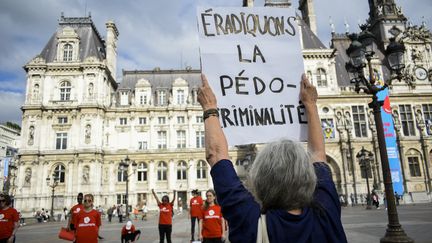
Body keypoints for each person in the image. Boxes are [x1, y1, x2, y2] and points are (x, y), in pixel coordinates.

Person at [197, 74, 347, 242]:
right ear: (309, 179)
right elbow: (318, 154)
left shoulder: (250, 222)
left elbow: (216, 154)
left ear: (259, 183)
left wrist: (209, 106)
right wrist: (310, 105)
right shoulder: (327, 215)